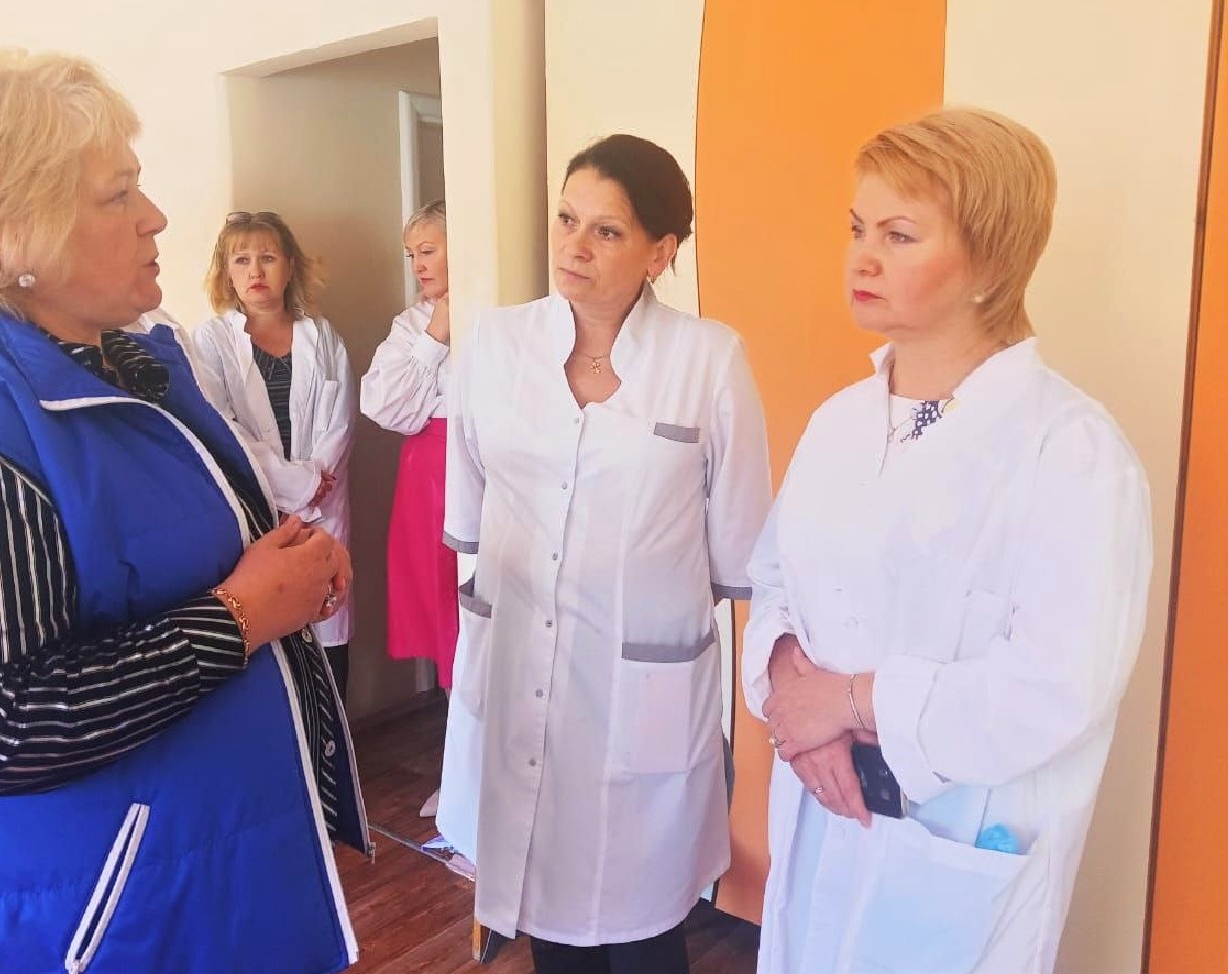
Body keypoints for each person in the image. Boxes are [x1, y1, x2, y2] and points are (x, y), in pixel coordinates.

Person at [0, 50, 367, 974]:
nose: (154, 216)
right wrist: (241, 616)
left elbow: (157, 554)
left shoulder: (128, 365)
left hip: (191, 883)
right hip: (70, 925)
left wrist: (285, 564)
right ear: (9, 235)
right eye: (117, 194)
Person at [742, 108, 1152, 974]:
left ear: (990, 263)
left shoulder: (1070, 451)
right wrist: (791, 688)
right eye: (857, 229)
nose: (861, 258)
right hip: (820, 817)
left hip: (955, 852)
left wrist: (852, 703)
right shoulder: (839, 422)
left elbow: (1057, 686)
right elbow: (776, 578)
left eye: (897, 235)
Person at [442, 133, 771, 973]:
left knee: (647, 924)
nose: (573, 246)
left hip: (639, 686)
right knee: (549, 920)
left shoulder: (707, 359)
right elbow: (471, 511)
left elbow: (738, 549)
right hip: (517, 667)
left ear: (660, 252)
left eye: (607, 231)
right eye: (566, 219)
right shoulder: (495, 346)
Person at [193, 211, 357, 701]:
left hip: (324, 509)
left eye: (267, 258)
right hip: (259, 510)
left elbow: (341, 421)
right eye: (241, 260)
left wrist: (311, 490)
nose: (255, 271)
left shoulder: (322, 337)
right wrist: (295, 487)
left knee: (327, 633)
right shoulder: (212, 341)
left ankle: (334, 740)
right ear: (226, 272)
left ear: (290, 267)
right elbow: (222, 430)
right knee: (268, 639)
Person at [360, 199, 457, 818]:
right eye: (411, 254)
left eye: (428, 250)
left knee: (484, 620)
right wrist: (435, 335)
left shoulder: (507, 313)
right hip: (427, 481)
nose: (418, 265)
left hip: (484, 473)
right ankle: (461, 769)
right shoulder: (411, 325)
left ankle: (490, 774)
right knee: (443, 618)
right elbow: (384, 407)